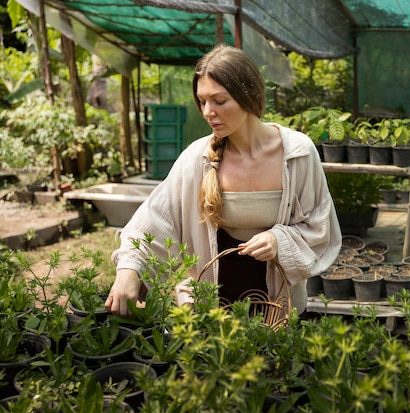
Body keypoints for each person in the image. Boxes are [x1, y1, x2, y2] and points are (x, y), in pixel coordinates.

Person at [105, 44, 341, 316]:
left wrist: (280, 241)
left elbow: (319, 225)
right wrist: (129, 268)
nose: (207, 112)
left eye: (219, 101)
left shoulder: (297, 154)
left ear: (248, 96)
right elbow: (155, 217)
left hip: (279, 307)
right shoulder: (197, 159)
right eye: (202, 101)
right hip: (211, 308)